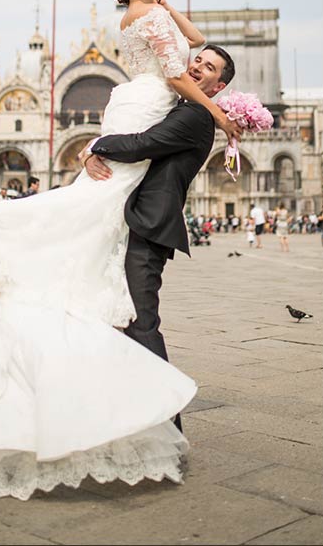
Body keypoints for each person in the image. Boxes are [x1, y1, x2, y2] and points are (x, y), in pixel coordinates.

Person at [0, 0, 241, 500]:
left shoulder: (154, 15)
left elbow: (196, 45)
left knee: (101, 237)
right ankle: (151, 417)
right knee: (101, 235)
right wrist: (220, 113)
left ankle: (127, 411)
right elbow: (179, 77)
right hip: (145, 108)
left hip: (138, 116)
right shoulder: (158, 42)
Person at [82, 43, 236, 433]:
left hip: (147, 229)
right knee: (126, 321)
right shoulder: (181, 107)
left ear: (217, 87)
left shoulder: (196, 116)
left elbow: (141, 146)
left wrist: (93, 145)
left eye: (210, 67)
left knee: (141, 324)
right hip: (135, 221)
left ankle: (169, 430)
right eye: (198, 60)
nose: (199, 67)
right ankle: (139, 420)